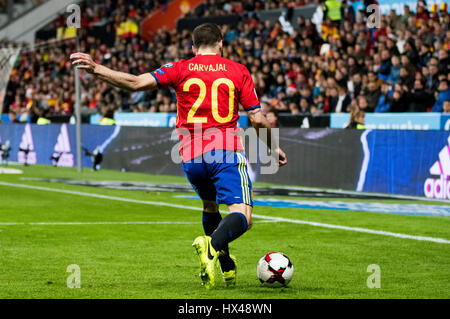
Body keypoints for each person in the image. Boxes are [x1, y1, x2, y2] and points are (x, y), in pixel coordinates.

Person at [70, 23, 287, 290]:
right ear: (221, 43)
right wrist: (271, 146)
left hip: (191, 157)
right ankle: (212, 246)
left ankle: (226, 265)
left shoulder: (181, 68)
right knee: (243, 216)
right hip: (225, 151)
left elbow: (136, 83)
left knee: (210, 208)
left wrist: (96, 69)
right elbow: (257, 120)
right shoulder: (237, 71)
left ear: (194, 47)